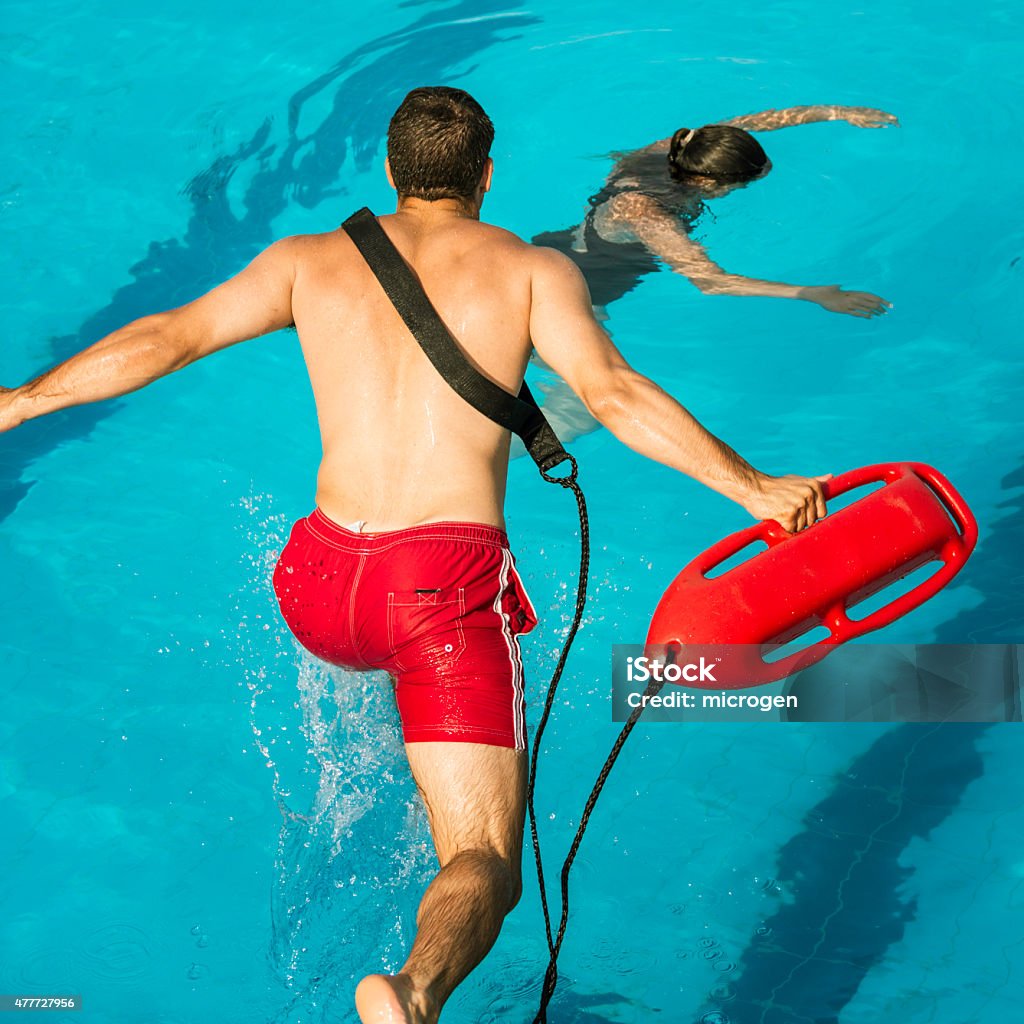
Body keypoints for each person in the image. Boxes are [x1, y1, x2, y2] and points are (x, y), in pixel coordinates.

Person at [0, 86, 831, 1024]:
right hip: (435, 593)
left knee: (370, 682)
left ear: (392, 173)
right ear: (486, 174)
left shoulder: (306, 260)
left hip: (315, 580)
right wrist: (754, 489)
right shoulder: (528, 272)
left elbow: (168, 336)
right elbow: (615, 397)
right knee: (482, 859)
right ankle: (414, 989)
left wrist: (21, 401)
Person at [533, 104, 898, 319]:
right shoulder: (646, 212)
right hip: (578, 291)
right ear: (709, 184)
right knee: (578, 413)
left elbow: (752, 121)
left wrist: (837, 112)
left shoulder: (678, 148)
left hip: (564, 250)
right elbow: (711, 282)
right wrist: (811, 293)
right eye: (743, 184)